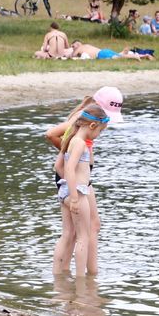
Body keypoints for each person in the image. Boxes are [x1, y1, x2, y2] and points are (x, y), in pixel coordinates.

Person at [44, 87, 124, 276]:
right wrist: (74, 159)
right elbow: (51, 134)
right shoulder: (82, 121)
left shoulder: (86, 125)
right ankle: (85, 277)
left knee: (85, 228)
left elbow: (61, 162)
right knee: (80, 233)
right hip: (76, 183)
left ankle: (72, 277)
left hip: (78, 179)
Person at [61, 100, 114, 276]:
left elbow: (65, 166)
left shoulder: (77, 142)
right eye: (99, 131)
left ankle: (62, 275)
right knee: (82, 237)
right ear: (92, 125)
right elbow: (69, 168)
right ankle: (81, 280)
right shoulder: (79, 143)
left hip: (71, 190)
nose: (98, 135)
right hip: (79, 192)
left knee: (71, 233)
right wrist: (75, 197)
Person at [70, 41, 155, 60]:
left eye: (73, 45)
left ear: (77, 44)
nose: (72, 46)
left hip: (101, 54)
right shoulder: (87, 45)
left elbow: (72, 56)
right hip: (105, 51)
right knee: (119, 56)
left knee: (119, 58)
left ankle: (134, 56)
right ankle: (144, 55)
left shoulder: (79, 48)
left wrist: (72, 52)